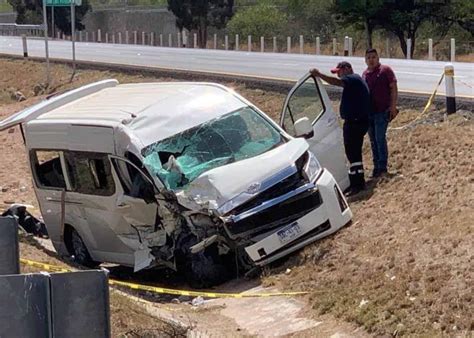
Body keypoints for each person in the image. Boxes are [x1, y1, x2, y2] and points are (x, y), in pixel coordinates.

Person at [310, 61, 371, 196]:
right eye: (337, 72)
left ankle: (358, 184)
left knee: (353, 154)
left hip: (355, 123)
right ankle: (354, 182)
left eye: (339, 71)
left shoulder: (353, 79)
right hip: (355, 122)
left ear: (347, 69)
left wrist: (319, 74)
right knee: (352, 154)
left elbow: (335, 82)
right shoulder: (354, 82)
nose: (338, 75)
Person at [363, 48, 398, 177]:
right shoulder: (365, 74)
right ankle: (376, 166)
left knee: (379, 138)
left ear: (378, 58)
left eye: (373, 57)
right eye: (368, 58)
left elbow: (393, 88)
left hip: (382, 112)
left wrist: (393, 107)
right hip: (369, 113)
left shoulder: (385, 71)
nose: (371, 60)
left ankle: (382, 167)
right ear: (365, 60)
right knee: (372, 140)